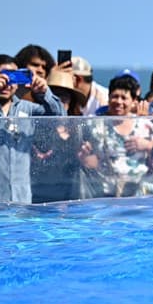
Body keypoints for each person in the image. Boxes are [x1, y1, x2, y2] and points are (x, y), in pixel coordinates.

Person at [0, 54, 65, 203]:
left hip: (22, 201)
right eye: (2, 78)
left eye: (12, 78)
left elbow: (60, 117)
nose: (7, 84)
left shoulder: (28, 109)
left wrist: (44, 93)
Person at [87, 75, 153, 197]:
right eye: (115, 96)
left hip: (140, 191)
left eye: (124, 98)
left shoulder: (145, 125)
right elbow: (88, 157)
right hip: (106, 192)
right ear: (108, 98)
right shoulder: (95, 125)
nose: (119, 102)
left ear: (133, 101)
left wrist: (149, 145)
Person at [30, 69, 89, 203]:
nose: (59, 101)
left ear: (72, 100)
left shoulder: (81, 128)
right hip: (38, 196)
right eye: (55, 95)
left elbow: (93, 163)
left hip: (72, 197)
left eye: (64, 97)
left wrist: (85, 156)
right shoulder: (35, 125)